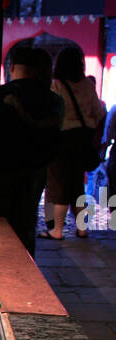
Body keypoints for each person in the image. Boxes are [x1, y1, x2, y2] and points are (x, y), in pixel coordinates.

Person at [0, 46, 64, 256]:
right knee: (26, 222)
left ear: (12, 67)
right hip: (34, 171)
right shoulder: (54, 100)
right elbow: (55, 130)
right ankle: (25, 266)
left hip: (0, 170)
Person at [46, 48, 107, 239]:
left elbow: (51, 113)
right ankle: (81, 228)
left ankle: (57, 230)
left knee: (59, 184)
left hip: (62, 139)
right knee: (77, 185)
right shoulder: (88, 85)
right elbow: (99, 113)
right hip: (82, 139)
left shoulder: (57, 85)